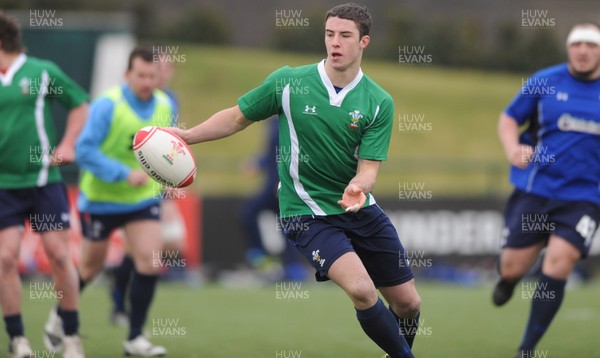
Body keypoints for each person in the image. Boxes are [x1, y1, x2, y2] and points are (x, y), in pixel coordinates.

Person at [172, 4, 421, 356]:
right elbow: (236, 117)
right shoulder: (288, 81)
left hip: (358, 209)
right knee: (363, 291)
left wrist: (359, 186)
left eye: (345, 36)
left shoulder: (379, 102)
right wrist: (186, 136)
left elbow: (369, 169)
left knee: (408, 303)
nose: (335, 42)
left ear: (364, 41)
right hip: (305, 213)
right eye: (329, 34)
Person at [44, 46, 172, 357]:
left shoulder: (164, 104)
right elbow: (84, 152)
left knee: (149, 260)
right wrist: (123, 174)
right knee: (90, 267)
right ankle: (59, 317)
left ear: (159, 77)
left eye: (151, 76)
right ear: (127, 74)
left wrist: (170, 176)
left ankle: (135, 337)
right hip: (101, 199)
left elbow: (164, 149)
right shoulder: (107, 105)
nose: (145, 81)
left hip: (141, 199)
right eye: (139, 75)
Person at [493, 22, 600, 357]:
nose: (583, 51)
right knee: (512, 266)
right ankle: (509, 281)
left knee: (559, 263)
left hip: (586, 198)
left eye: (592, 45)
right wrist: (513, 149)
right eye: (577, 44)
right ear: (569, 48)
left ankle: (527, 348)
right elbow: (509, 119)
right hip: (537, 189)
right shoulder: (544, 81)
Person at [0, 12, 88, 358]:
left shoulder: (40, 71)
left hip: (42, 182)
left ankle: (70, 336)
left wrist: (68, 145)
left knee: (60, 257)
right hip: (4, 188)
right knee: (5, 259)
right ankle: (18, 339)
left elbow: (80, 104)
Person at [108, 58, 187, 326]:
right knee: (136, 250)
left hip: (158, 184)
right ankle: (119, 303)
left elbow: (173, 144)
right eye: (157, 69)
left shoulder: (168, 101)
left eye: (166, 68)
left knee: (169, 244)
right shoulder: (126, 100)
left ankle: (130, 310)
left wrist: (174, 178)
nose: (161, 74)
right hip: (132, 185)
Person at [240, 116, 308, 282]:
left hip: (281, 185)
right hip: (274, 185)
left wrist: (282, 181)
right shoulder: (273, 122)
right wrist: (259, 162)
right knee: (285, 223)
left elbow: (295, 152)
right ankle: (286, 266)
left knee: (251, 213)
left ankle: (270, 260)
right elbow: (273, 153)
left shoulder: (292, 119)